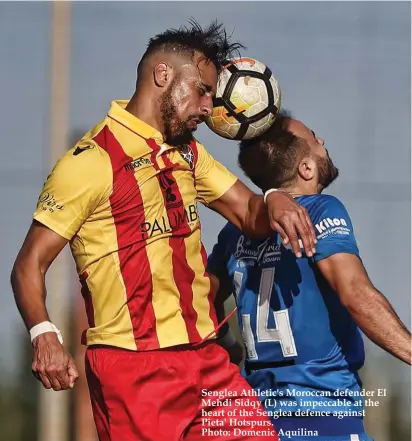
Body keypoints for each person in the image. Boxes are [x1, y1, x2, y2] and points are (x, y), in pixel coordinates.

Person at [10, 22, 319, 441]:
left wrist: (273, 199)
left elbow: (247, 209)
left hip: (208, 360)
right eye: (203, 90)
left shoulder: (188, 151)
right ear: (162, 76)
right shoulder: (91, 161)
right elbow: (29, 264)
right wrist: (43, 333)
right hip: (135, 369)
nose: (209, 108)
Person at [207, 110, 411, 441]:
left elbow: (201, 298)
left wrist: (228, 346)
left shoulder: (234, 233)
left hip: (259, 424)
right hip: (325, 418)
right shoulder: (320, 210)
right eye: (314, 137)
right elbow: (357, 295)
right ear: (306, 168)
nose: (322, 141)